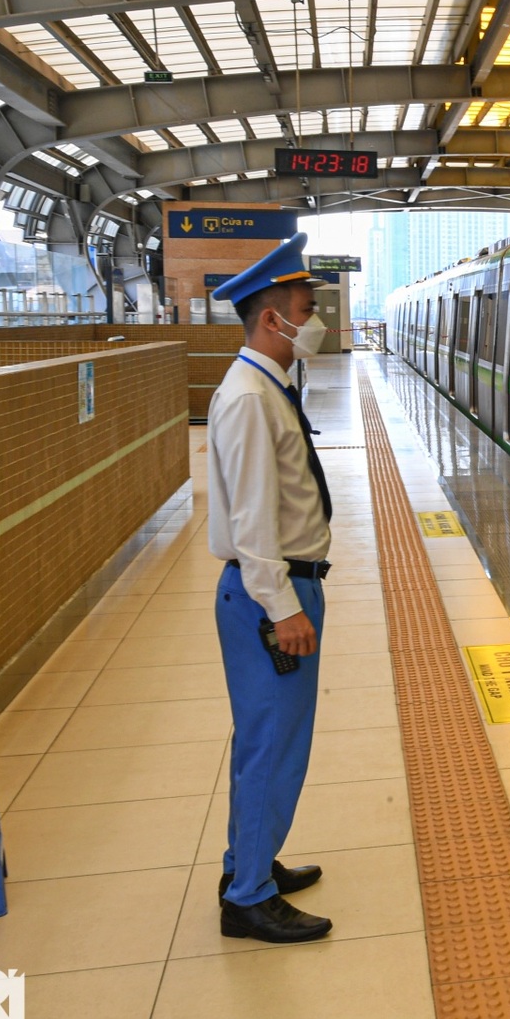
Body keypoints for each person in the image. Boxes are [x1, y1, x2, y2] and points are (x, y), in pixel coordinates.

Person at [204, 232, 335, 944]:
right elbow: (255, 522)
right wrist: (283, 607)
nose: (314, 320)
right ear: (271, 319)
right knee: (270, 745)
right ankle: (247, 897)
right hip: (270, 598)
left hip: (279, 591)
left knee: (273, 741)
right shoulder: (251, 398)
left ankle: (250, 862)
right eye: (306, 308)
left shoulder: (266, 386)